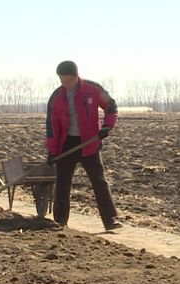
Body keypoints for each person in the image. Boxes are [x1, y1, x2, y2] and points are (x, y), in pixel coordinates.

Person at [45, 60, 123, 231]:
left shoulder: (93, 89)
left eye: (67, 80)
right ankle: (60, 221)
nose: (64, 84)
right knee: (63, 183)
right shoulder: (56, 97)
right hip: (67, 144)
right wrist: (52, 152)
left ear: (75, 76)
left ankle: (111, 220)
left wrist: (107, 127)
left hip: (89, 143)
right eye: (61, 80)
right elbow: (51, 127)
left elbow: (111, 107)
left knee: (99, 181)